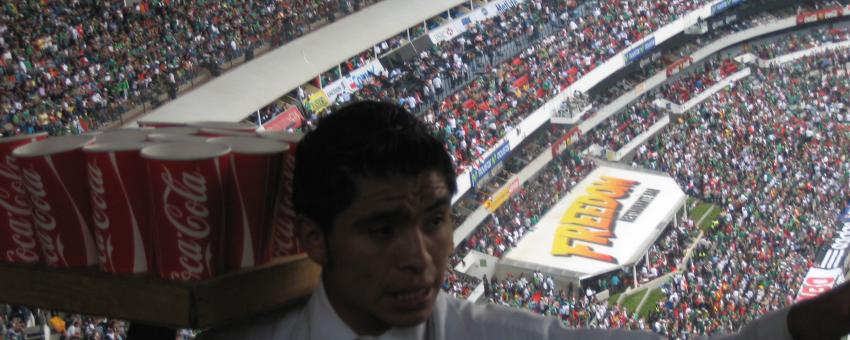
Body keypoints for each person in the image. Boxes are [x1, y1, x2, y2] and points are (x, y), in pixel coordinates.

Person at [200, 101, 850, 340]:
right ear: (315, 238)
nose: (420, 256)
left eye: (435, 219)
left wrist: (819, 320)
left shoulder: (506, 333)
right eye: (382, 229)